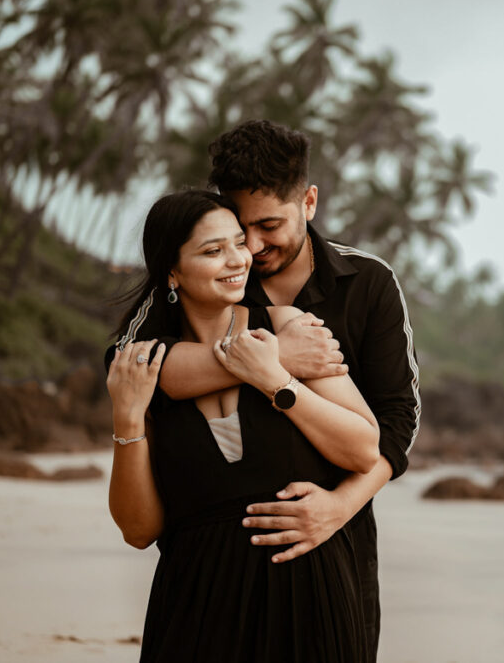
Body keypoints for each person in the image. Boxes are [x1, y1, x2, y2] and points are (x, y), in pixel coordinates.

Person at [146, 120, 421, 660]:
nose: (251, 245)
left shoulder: (368, 282)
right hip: (207, 560)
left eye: (269, 224)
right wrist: (278, 358)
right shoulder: (216, 269)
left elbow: (396, 422)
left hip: (330, 544)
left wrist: (339, 506)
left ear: (309, 201)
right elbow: (141, 364)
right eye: (239, 225)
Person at [105, 189, 380, 661]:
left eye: (238, 243)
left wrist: (277, 380)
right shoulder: (146, 369)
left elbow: (363, 449)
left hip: (307, 599)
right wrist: (128, 418)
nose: (237, 259)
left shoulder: (290, 326)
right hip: (197, 605)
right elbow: (139, 529)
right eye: (213, 251)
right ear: (172, 271)